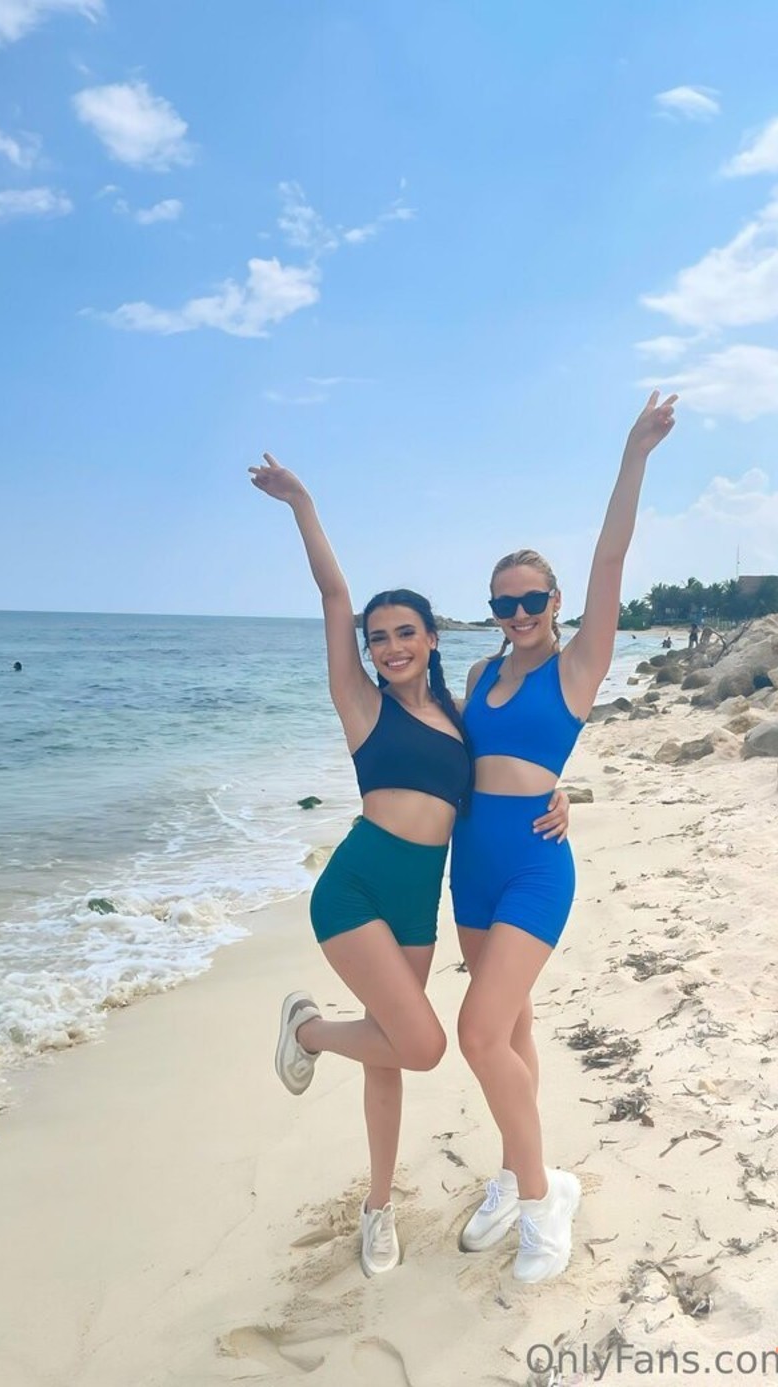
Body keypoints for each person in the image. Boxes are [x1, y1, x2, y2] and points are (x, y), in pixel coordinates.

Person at [249, 454, 570, 1278]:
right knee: (419, 1045)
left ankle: (377, 1205)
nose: (390, 647)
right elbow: (333, 597)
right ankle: (308, 1032)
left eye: (404, 632)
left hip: (422, 902)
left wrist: (565, 795)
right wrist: (302, 503)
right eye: (378, 637)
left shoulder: (463, 713)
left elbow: (510, 766)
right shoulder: (361, 705)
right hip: (356, 888)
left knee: (388, 1049)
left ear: (432, 637)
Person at [450, 390, 678, 1283]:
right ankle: (516, 1170)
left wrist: (635, 454)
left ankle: (546, 1199)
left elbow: (611, 556)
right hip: (471, 865)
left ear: (554, 601)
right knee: (510, 1027)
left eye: (533, 598)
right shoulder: (478, 669)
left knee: (477, 1032)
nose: (519, 612)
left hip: (536, 867)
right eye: (504, 601)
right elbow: (449, 759)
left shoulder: (580, 664)